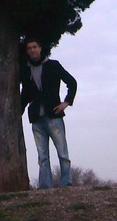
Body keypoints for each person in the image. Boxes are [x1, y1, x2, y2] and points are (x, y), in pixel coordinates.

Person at [20, 37, 77, 189]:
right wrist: (18, 111)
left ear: (40, 48)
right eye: (29, 48)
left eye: (34, 46)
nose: (32, 50)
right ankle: (46, 187)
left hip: (53, 116)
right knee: (42, 156)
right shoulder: (26, 70)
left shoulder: (53, 65)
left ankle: (66, 183)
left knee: (62, 153)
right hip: (36, 119)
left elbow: (71, 82)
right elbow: (25, 94)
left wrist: (66, 102)